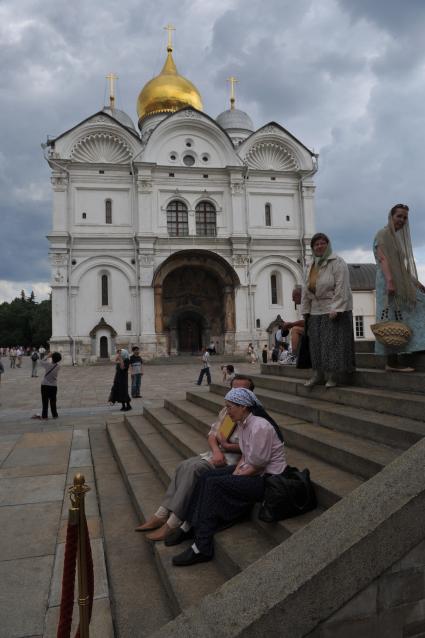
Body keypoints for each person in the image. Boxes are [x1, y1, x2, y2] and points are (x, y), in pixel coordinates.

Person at [170, 387, 286, 566]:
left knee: (214, 484)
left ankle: (202, 547)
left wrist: (238, 475)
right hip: (253, 471)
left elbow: (259, 465)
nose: (227, 411)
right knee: (205, 477)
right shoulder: (244, 423)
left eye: (230, 407)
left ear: (244, 407)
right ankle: (189, 525)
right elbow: (245, 457)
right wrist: (237, 471)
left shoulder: (260, 426)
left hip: (267, 479)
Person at [374, 204, 425, 371]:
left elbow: (401, 267)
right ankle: (392, 362)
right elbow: (383, 259)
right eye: (399, 216)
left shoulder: (395, 237)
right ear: (391, 216)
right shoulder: (383, 234)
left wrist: (416, 283)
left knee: (415, 306)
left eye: (405, 217)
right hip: (389, 282)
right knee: (391, 318)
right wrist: (389, 281)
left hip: (399, 280)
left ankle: (414, 347)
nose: (402, 220)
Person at [300, 232, 355, 388]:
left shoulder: (337, 262)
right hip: (316, 309)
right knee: (316, 345)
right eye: (316, 244)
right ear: (312, 248)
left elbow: (341, 286)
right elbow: (305, 289)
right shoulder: (310, 265)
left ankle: (333, 376)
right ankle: (318, 374)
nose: (319, 246)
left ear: (328, 245)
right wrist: (305, 310)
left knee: (332, 344)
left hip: (333, 308)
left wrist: (336, 308)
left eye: (323, 243)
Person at [32, 351, 62, 419]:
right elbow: (56, 361)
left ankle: (45, 416)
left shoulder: (47, 364)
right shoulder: (58, 366)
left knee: (45, 401)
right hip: (54, 386)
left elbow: (40, 361)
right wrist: (53, 356)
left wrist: (48, 356)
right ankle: (55, 415)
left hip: (45, 385)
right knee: (53, 401)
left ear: (52, 358)